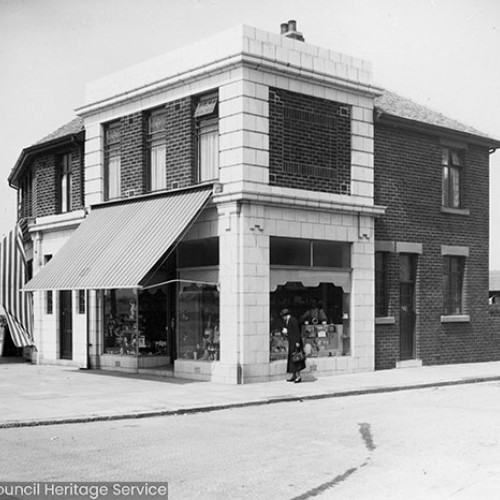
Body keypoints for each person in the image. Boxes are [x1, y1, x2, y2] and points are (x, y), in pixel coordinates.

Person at [280, 308, 306, 383]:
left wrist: (297, 342)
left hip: (295, 343)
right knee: (292, 360)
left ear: (286, 316)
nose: (283, 318)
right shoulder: (288, 321)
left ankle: (298, 376)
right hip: (292, 342)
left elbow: (297, 331)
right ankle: (293, 375)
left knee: (296, 359)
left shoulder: (293, 320)